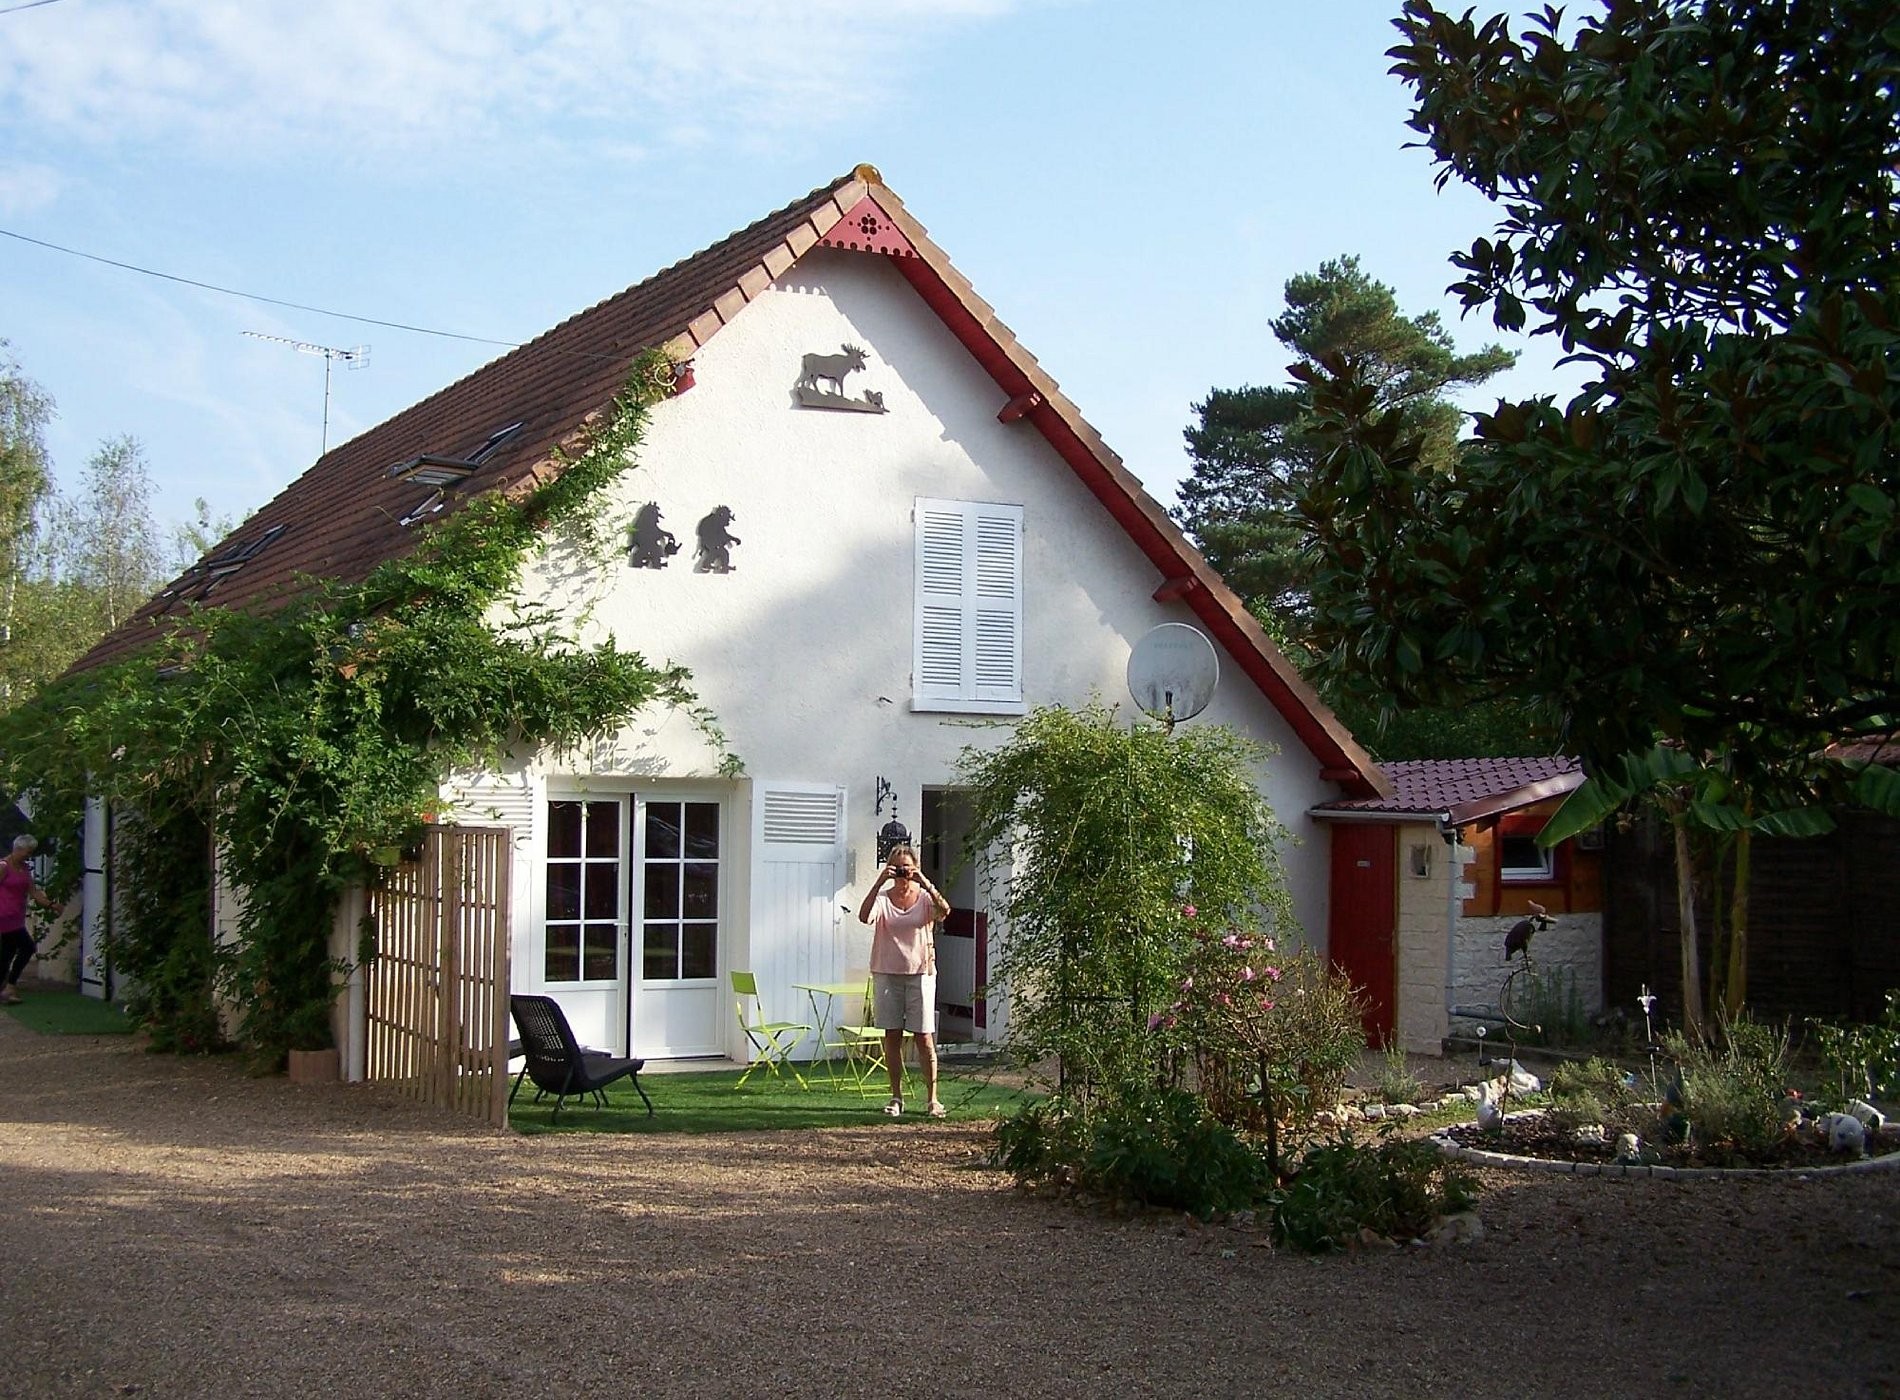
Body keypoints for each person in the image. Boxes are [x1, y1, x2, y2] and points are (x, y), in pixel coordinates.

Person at [857, 843, 950, 1118]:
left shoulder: (923, 898)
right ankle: (896, 1096)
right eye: (897, 868)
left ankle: (933, 1099)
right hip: (887, 973)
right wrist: (879, 881)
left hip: (920, 972)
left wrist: (924, 881)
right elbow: (864, 916)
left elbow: (944, 911)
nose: (901, 874)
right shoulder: (884, 899)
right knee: (892, 1036)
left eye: (905, 869)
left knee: (924, 1037)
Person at [0, 835, 62, 1004]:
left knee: (8, 953)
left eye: (31, 853)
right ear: (18, 849)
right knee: (28, 947)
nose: (29, 856)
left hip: (17, 917)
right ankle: (10, 985)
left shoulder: (25, 869)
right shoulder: (4, 866)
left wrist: (51, 905)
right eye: (27, 852)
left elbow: (33, 892)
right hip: (4, 916)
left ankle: (4, 989)